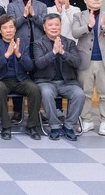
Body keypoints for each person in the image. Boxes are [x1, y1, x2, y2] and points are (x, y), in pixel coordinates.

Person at [72, 0, 105, 136]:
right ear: (85, 0)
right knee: (85, 93)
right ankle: (87, 120)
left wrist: (103, 26)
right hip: (85, 61)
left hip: (104, 61)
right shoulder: (78, 15)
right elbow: (75, 33)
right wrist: (89, 26)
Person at [0, 15, 42, 140]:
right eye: (5, 28)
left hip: (20, 80)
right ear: (0, 30)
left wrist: (18, 55)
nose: (8, 30)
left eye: (11, 27)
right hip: (1, 80)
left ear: (15, 29)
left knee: (34, 89)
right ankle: (6, 126)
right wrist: (7, 55)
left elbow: (29, 67)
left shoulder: (23, 45)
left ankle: (32, 126)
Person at [32, 13, 85, 141]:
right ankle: (54, 126)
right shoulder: (38, 43)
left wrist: (63, 53)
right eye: (50, 25)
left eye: (56, 24)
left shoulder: (69, 43)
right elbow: (39, 64)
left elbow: (77, 63)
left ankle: (68, 126)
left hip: (67, 82)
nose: (54, 27)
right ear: (44, 27)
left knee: (79, 94)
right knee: (46, 93)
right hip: (46, 81)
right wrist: (54, 52)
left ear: (61, 26)